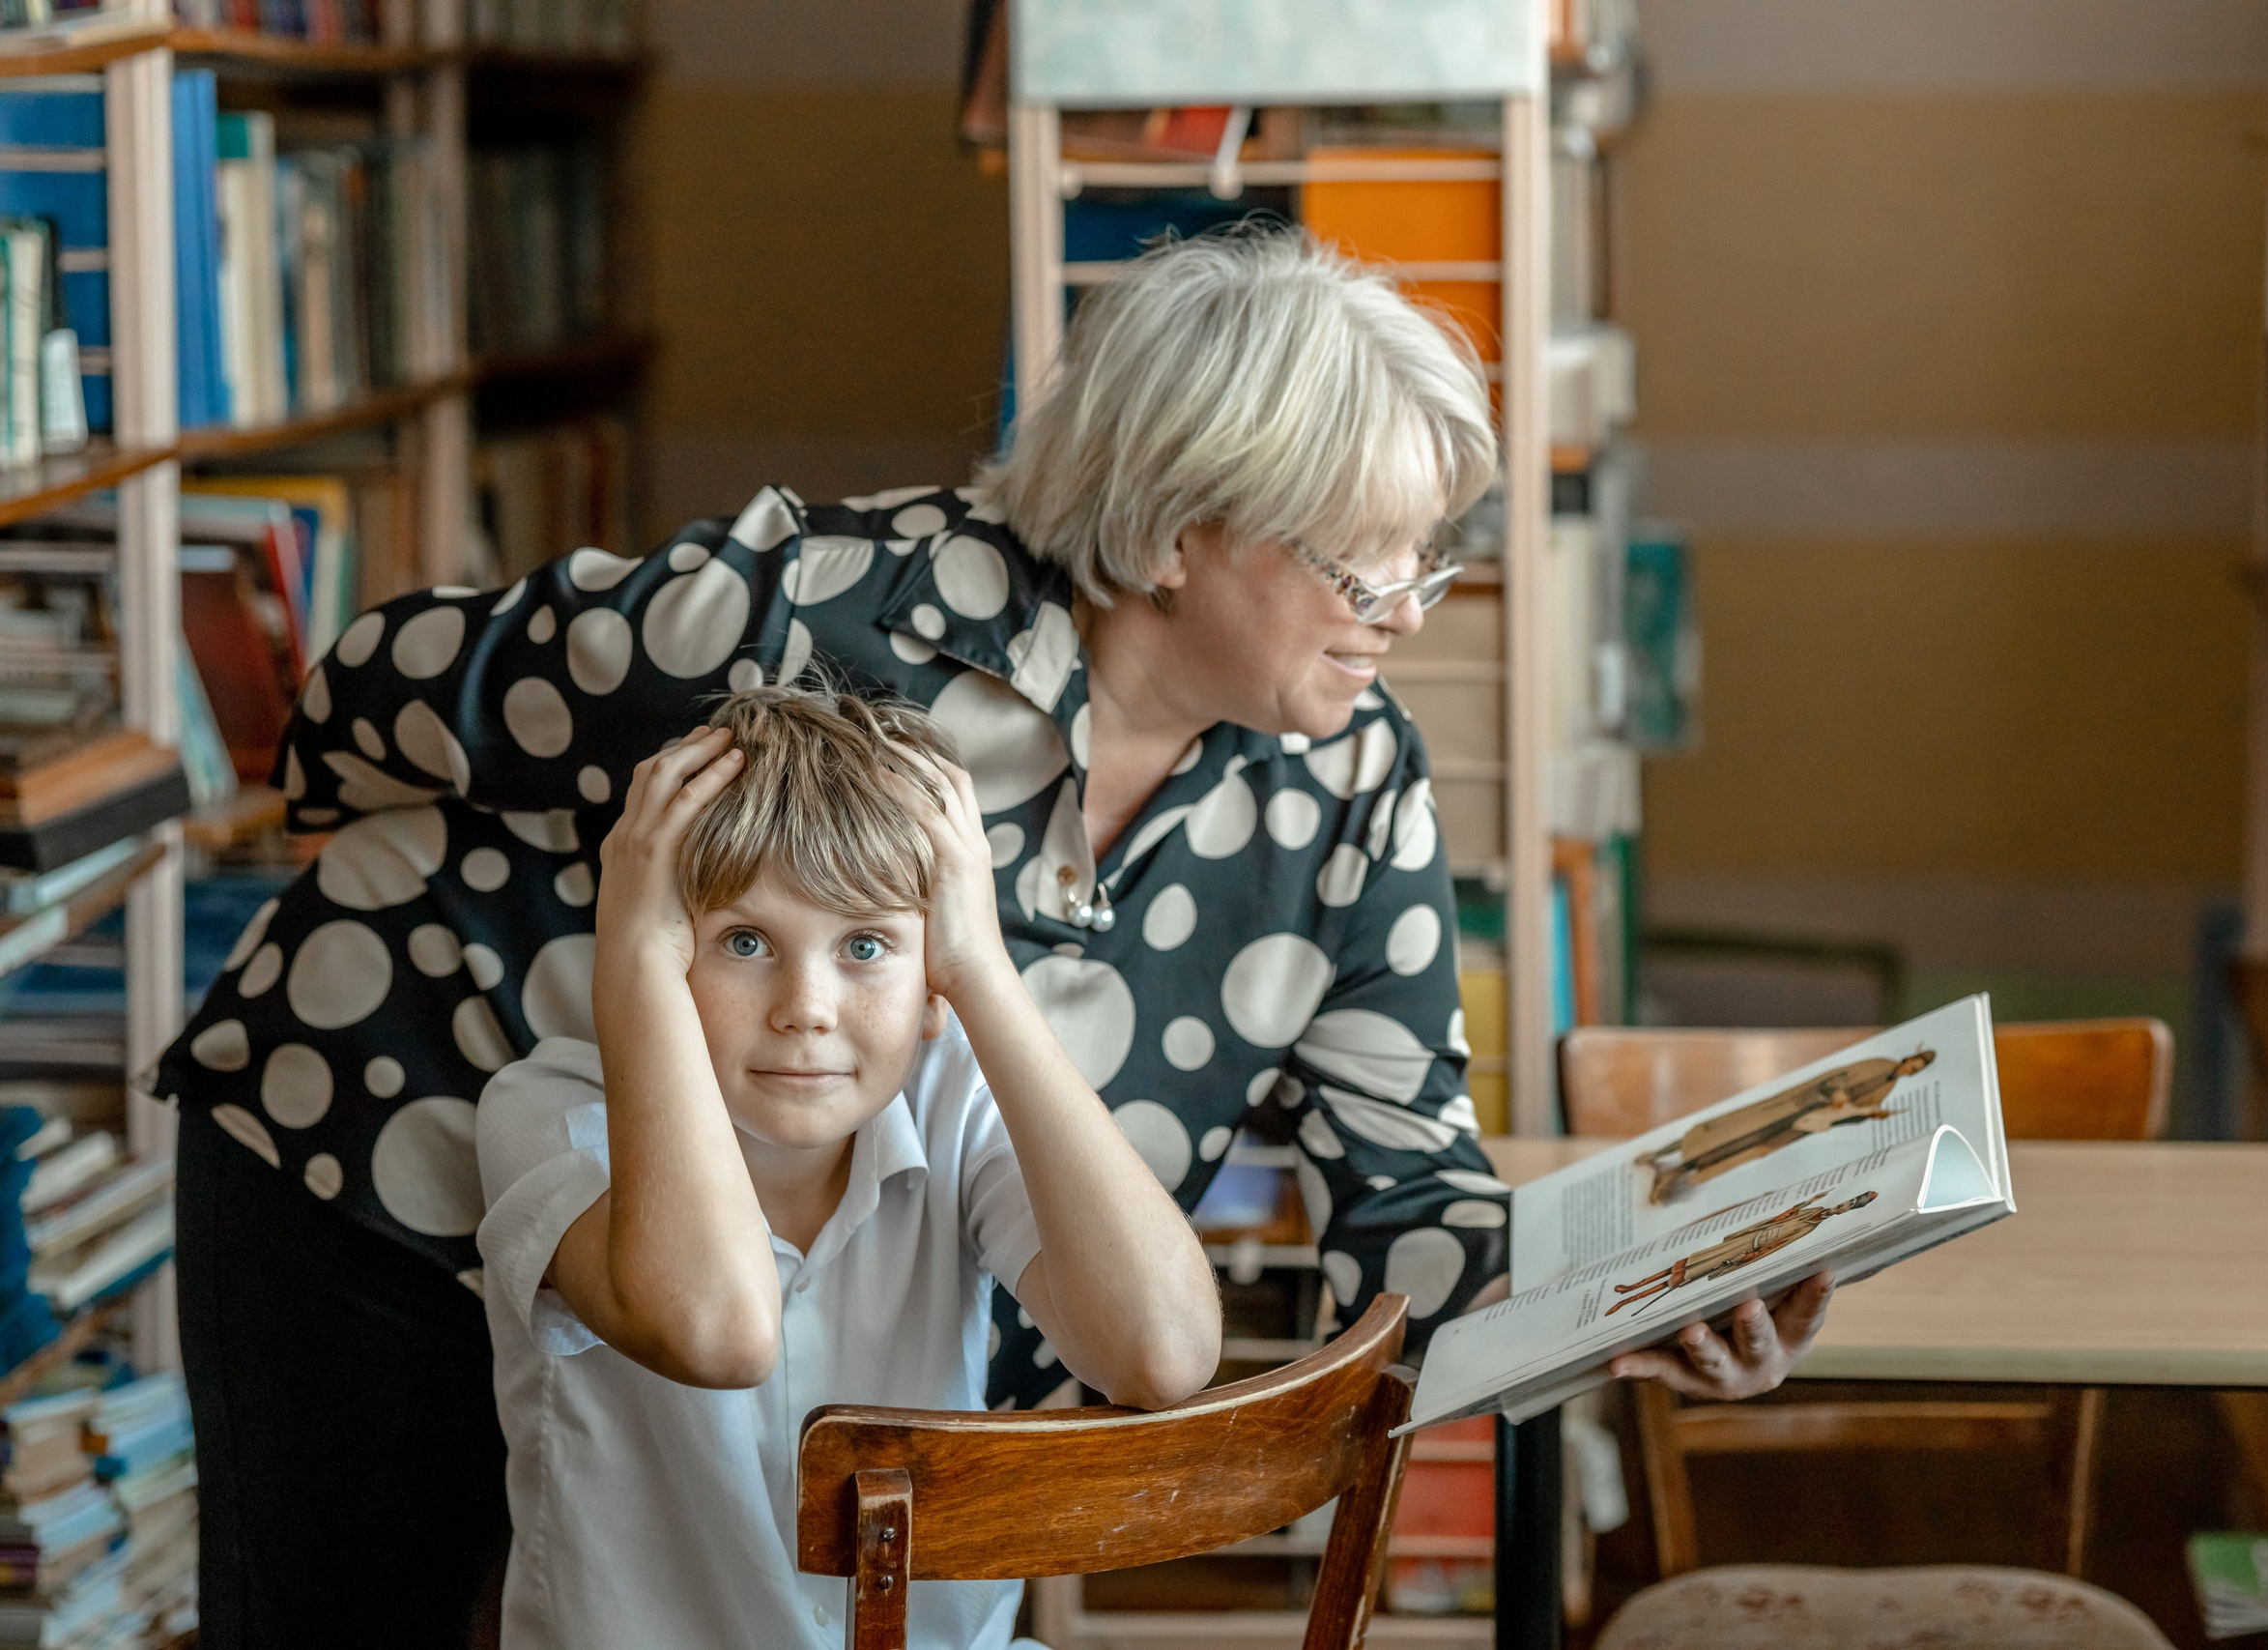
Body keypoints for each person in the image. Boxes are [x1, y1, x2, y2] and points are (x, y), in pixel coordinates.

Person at [153, 225, 1827, 1645]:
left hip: (814, 1315)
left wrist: (1634, 1296)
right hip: (398, 1140)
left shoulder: (1350, 788)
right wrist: (556, 875)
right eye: (1358, 561)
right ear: (1181, 528)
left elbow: (1404, 1199)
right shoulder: (822, 616)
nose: (1403, 607)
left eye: (1427, 557)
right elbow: (370, 695)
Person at [476, 688, 1219, 1647]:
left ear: (929, 977)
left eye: (865, 945)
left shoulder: (949, 1092)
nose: (806, 1008)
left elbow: (1161, 1353)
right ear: (662, 947)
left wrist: (980, 972)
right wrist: (633, 965)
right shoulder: (548, 1115)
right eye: (745, 942)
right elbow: (718, 1333)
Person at [1645, 1051, 1936, 1204]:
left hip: (1806, 1123)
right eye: (1914, 1064)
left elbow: (1849, 1116)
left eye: (1917, 1071)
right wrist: (1838, 1093)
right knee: (1736, 1130)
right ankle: (1663, 1154)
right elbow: (1837, 1079)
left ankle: (1678, 1173)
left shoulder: (1887, 1089)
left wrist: (1868, 1115)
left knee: (1753, 1147)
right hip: (1797, 1103)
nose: (1912, 1070)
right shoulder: (1878, 1063)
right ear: (1910, 1057)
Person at [1606, 1191, 1880, 1316]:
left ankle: (1629, 1302)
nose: (1841, 1207)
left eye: (1847, 1208)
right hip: (1742, 1238)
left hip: (1746, 1250)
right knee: (1686, 1262)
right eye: (1844, 1202)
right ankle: (1631, 1287)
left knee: (1686, 1276)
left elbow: (1776, 1246)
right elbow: (1780, 1218)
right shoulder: (1811, 1211)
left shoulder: (1811, 1228)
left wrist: (1749, 1258)